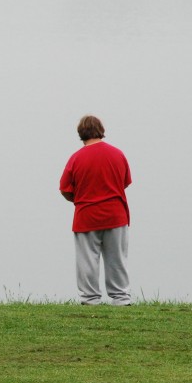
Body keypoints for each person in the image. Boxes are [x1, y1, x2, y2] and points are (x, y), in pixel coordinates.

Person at [60, 115, 132, 306]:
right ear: (101, 130)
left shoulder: (75, 158)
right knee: (116, 258)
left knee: (87, 261)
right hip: (116, 214)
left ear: (80, 133)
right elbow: (125, 182)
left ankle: (90, 299)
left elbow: (65, 189)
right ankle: (121, 298)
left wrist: (79, 200)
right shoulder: (118, 154)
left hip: (86, 216)